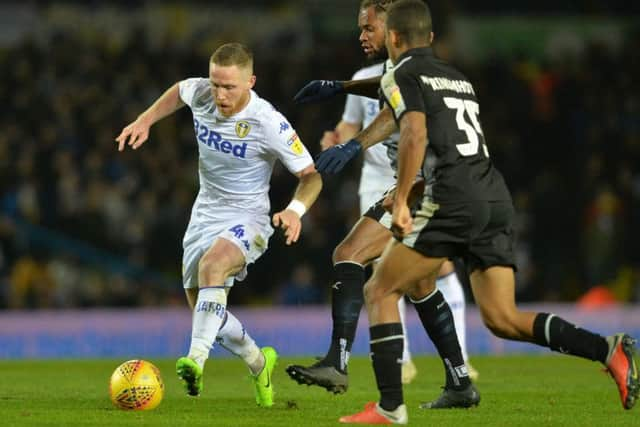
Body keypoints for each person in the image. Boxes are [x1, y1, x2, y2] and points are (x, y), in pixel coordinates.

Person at [337, 1, 638, 424]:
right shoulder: (459, 79)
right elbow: (460, 148)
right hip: (492, 196)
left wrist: (403, 196)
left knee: (379, 289)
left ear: (395, 38)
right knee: (502, 318)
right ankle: (607, 349)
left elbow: (416, 135)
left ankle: (390, 407)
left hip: (452, 201)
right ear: (432, 38)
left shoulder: (401, 73)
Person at [115, 43, 322, 407]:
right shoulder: (201, 93)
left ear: (251, 82)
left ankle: (195, 361)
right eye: (216, 84)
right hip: (205, 213)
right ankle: (260, 363)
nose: (220, 95)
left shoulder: (268, 122)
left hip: (249, 216)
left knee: (213, 268)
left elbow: (311, 176)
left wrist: (294, 211)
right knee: (206, 310)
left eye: (230, 87)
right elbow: (180, 90)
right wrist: (145, 119)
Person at [286, 0, 476, 395]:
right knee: (421, 284)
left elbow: (397, 116)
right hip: (446, 185)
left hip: (429, 187)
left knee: (349, 254)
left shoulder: (407, 72)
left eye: (368, 28)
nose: (361, 36)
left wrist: (355, 148)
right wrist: (340, 88)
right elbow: (387, 90)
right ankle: (459, 380)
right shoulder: (425, 70)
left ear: (392, 30)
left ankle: (339, 364)